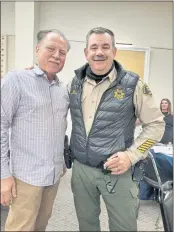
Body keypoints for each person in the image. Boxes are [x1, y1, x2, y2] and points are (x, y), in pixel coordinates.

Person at [69, 27, 165, 231]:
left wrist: (131, 156)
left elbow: (156, 125)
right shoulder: (75, 82)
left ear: (114, 51)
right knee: (86, 226)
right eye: (93, 47)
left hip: (117, 172)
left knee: (124, 227)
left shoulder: (133, 84)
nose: (99, 52)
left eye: (105, 46)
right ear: (86, 52)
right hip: (81, 171)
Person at [1, 29, 70, 231]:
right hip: (25, 177)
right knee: (20, 227)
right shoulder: (17, 80)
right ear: (37, 50)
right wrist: (3, 175)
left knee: (41, 225)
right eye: (51, 48)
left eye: (62, 52)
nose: (57, 55)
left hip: (53, 175)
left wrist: (61, 161)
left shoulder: (62, 90)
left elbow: (59, 127)